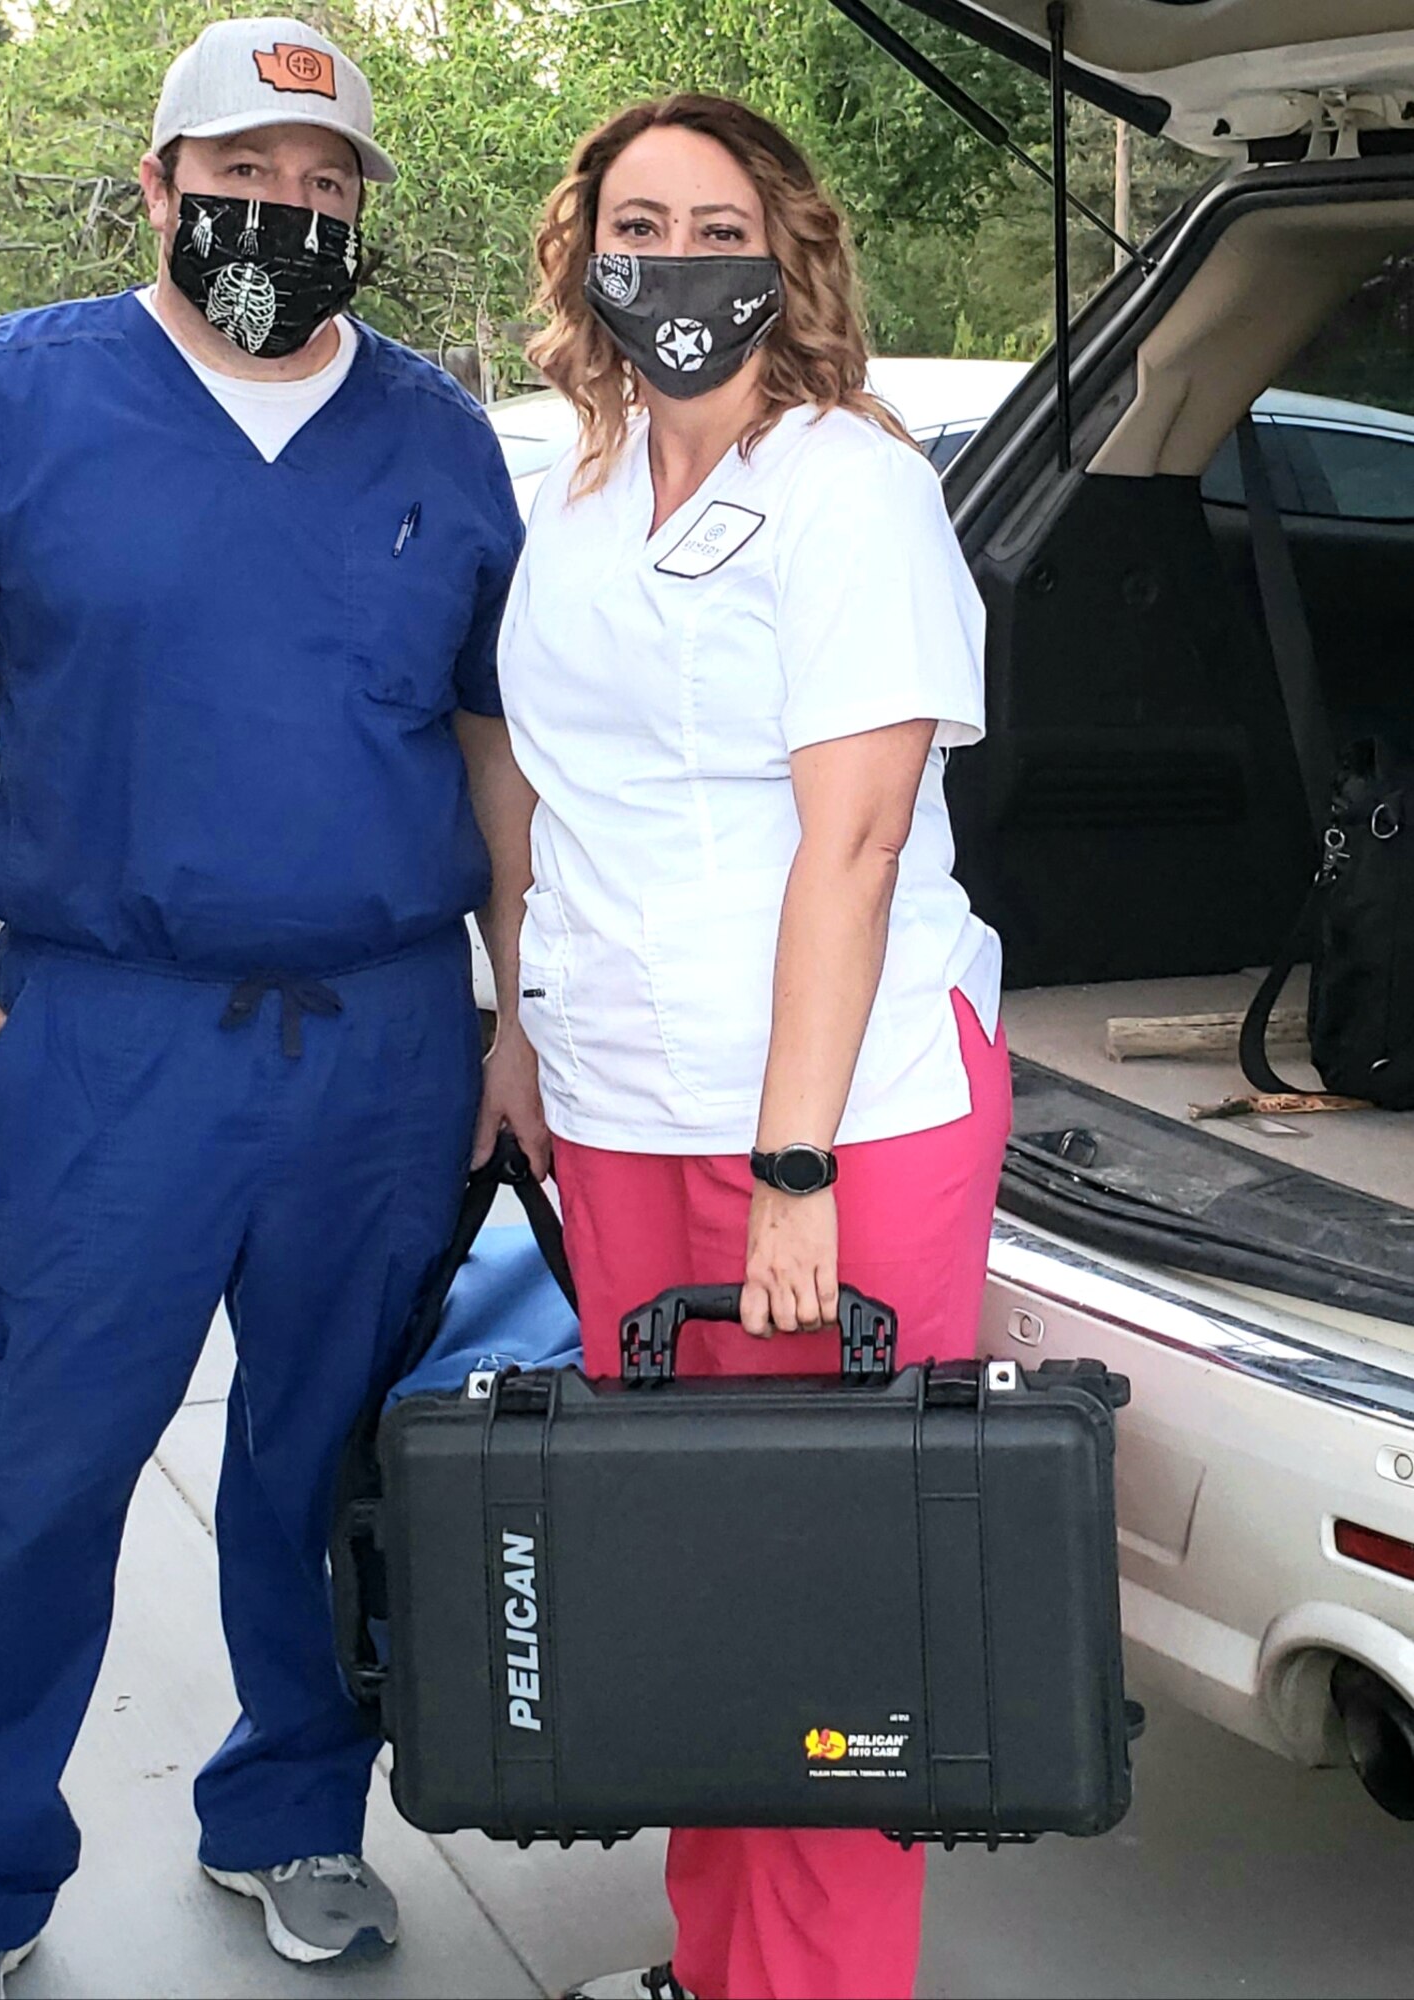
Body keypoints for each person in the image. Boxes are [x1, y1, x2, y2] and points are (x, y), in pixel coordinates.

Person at [0, 18, 546, 1997]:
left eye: (325, 187)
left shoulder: (432, 436)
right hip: (102, 1040)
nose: (283, 213)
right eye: (242, 174)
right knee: (21, 1480)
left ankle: (294, 1815)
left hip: (385, 1044)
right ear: (155, 185)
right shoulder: (18, 397)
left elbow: (497, 748)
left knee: (333, 1474)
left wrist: (514, 1017)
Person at [495, 95, 1012, 2000]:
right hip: (631, 1100)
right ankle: (719, 1968)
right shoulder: (583, 482)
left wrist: (793, 1169)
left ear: (783, 256)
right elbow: (556, 787)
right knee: (693, 1566)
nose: (680, 258)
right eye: (642, 220)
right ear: (589, 254)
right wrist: (533, 1029)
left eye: (722, 224)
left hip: (837, 1114)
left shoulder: (848, 485)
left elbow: (856, 839)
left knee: (830, 1597)